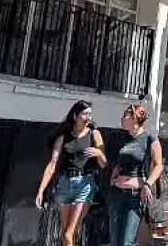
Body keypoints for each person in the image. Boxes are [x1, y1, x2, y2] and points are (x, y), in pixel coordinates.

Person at [36, 100, 105, 246]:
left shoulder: (94, 134)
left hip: (84, 184)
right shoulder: (63, 137)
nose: (88, 117)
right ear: (75, 116)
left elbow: (104, 164)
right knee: (67, 233)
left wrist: (99, 153)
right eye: (85, 114)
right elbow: (52, 164)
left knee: (68, 234)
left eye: (90, 114)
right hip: (64, 184)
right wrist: (41, 191)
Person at [106, 104, 162, 246]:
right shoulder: (122, 137)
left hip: (135, 196)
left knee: (126, 242)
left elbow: (158, 165)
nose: (122, 118)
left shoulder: (150, 138)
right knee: (114, 241)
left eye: (125, 115)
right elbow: (119, 162)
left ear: (135, 119)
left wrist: (148, 184)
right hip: (116, 194)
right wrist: (113, 177)